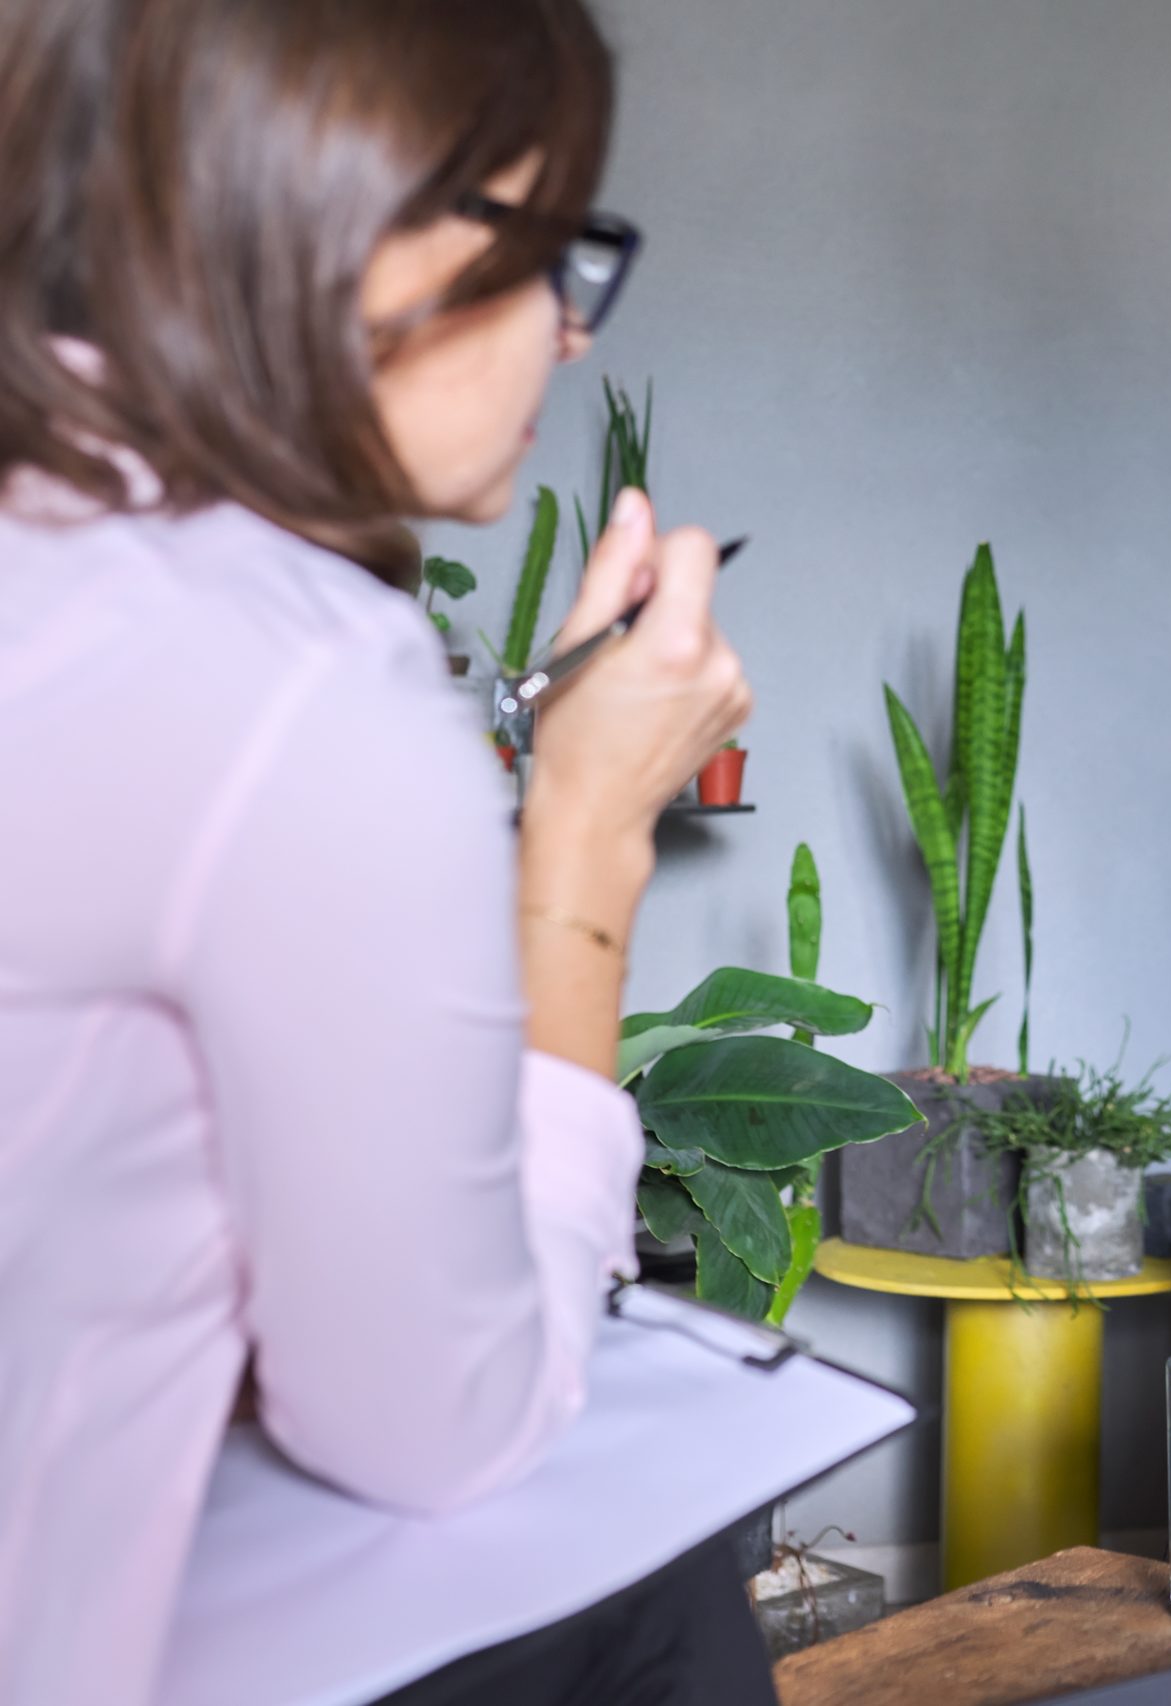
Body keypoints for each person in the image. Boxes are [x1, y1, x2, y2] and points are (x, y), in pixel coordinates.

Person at [0, 1, 767, 1701]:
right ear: (350, 225)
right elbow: (440, 1420)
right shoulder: (298, 679)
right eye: (552, 247)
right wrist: (585, 833)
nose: (572, 340)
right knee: (647, 1575)